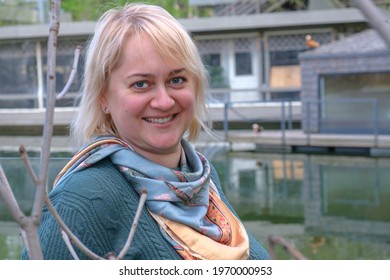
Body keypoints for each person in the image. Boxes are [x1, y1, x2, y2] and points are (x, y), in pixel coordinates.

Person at [22, 3, 269, 260]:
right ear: (103, 96)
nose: (163, 101)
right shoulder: (82, 201)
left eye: (176, 80)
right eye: (141, 84)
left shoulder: (199, 178)